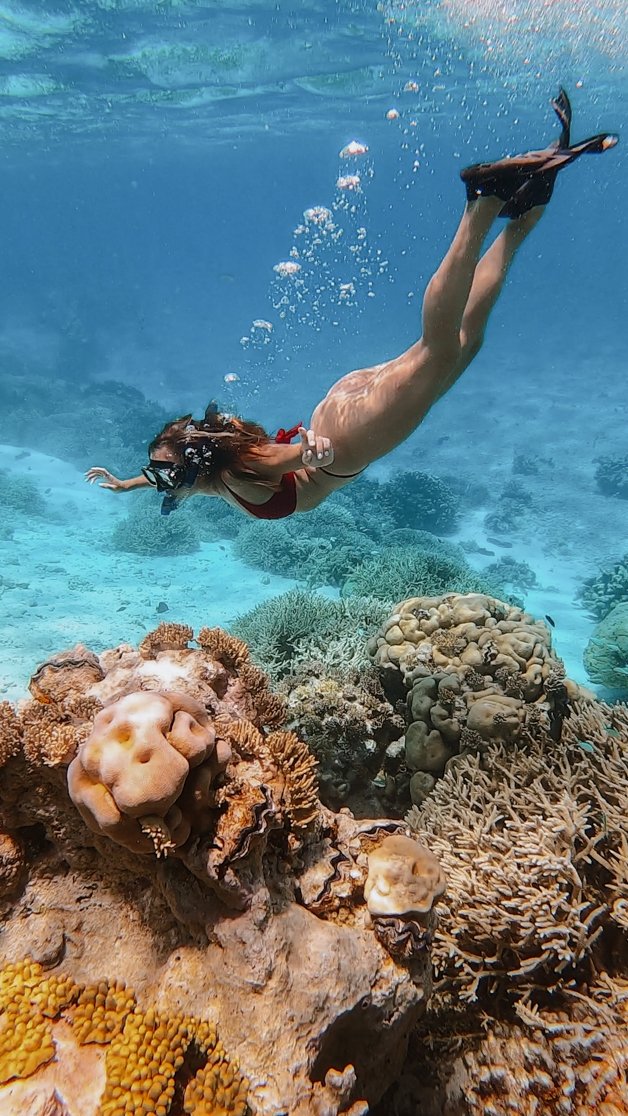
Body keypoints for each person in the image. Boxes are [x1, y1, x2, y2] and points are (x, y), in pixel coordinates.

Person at [86, 89, 617, 521]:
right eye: (158, 474)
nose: (163, 484)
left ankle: (485, 202)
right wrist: (125, 484)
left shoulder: (242, 469)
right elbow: (184, 478)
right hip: (340, 407)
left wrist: (309, 455)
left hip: (348, 436)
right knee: (463, 346)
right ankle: (528, 207)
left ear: (196, 461)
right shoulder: (207, 472)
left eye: (162, 473)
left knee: (440, 351)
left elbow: (299, 456)